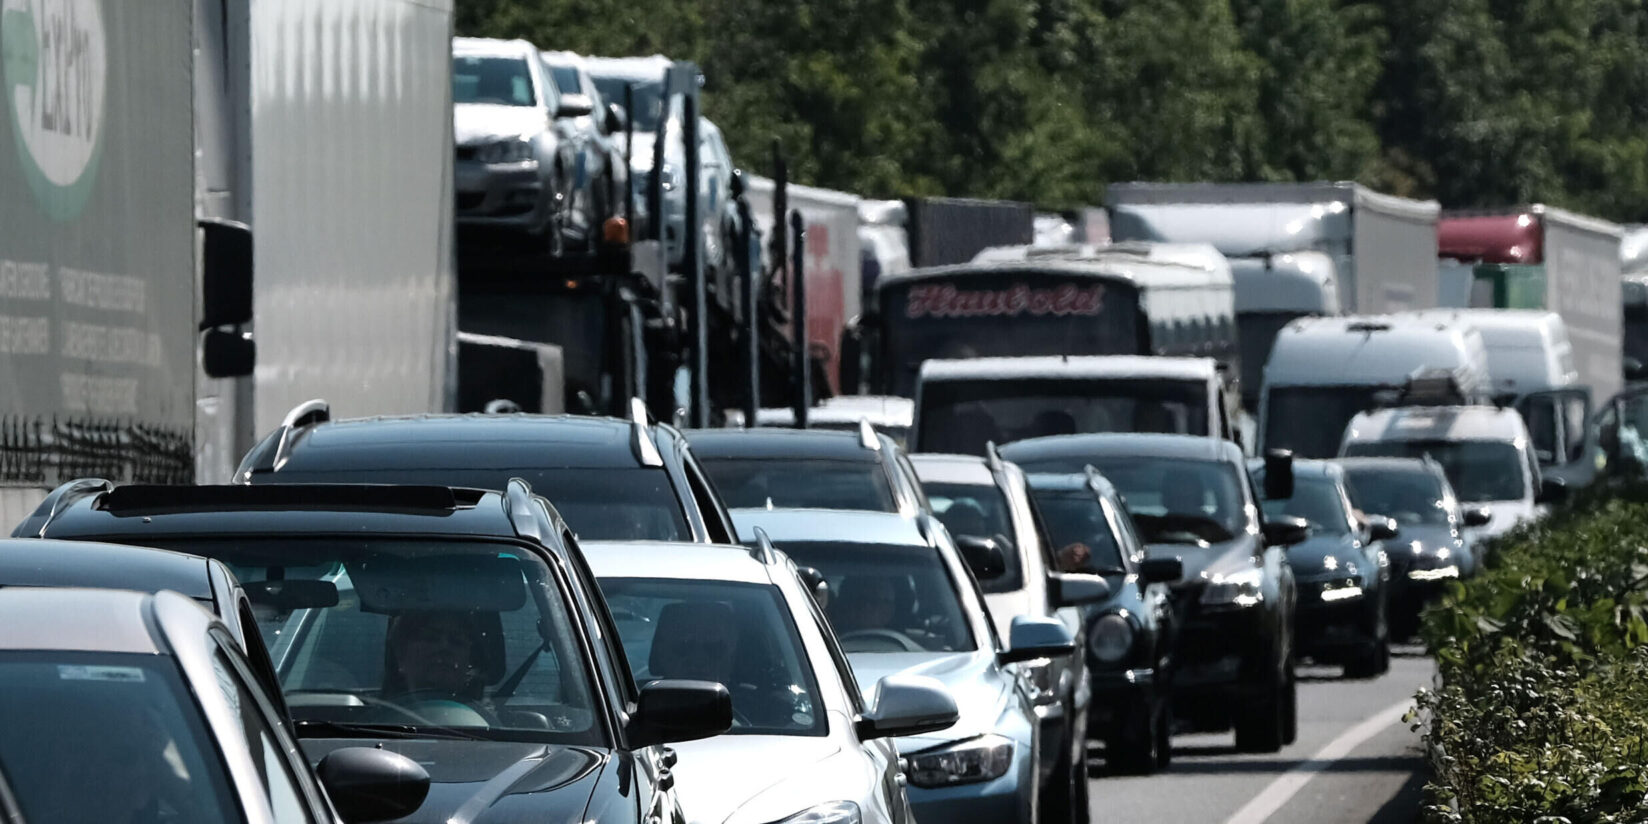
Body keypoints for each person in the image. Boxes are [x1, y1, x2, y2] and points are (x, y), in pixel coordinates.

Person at [382, 611, 493, 723]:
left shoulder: (492, 725)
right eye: (430, 638)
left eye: (457, 641)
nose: (444, 647)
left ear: (469, 660)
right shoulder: (375, 721)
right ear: (401, 654)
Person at [830, 576, 899, 635]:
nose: (866, 606)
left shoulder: (903, 643)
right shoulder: (827, 634)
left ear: (890, 610)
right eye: (859, 600)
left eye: (874, 601)